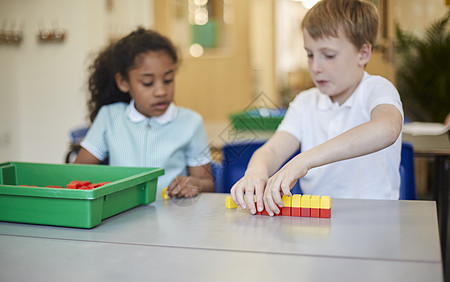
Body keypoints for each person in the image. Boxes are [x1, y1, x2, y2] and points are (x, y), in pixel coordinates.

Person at [231, 0, 403, 216]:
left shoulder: (377, 89)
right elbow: (274, 149)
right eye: (310, 54)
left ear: (363, 53)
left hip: (374, 221)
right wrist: (256, 171)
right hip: (319, 222)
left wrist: (304, 160)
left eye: (328, 56)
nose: (315, 67)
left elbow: (387, 129)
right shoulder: (305, 102)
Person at [74, 27, 214, 198]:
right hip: (122, 217)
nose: (161, 91)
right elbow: (77, 174)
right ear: (124, 82)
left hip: (175, 216)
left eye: (168, 80)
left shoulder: (191, 122)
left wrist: (195, 184)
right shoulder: (110, 117)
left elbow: (208, 183)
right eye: (148, 83)